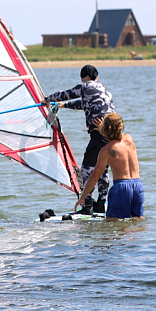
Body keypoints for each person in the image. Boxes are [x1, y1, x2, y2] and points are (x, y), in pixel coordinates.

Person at [44, 64, 115, 214]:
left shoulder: (86, 86)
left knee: (86, 169)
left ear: (83, 78)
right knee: (103, 169)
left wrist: (47, 99)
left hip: (99, 132)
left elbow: (67, 93)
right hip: (111, 132)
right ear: (97, 76)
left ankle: (87, 205)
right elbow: (84, 104)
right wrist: (63, 106)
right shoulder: (104, 89)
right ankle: (101, 203)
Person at [74, 113, 144, 220]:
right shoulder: (129, 139)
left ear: (105, 129)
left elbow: (94, 177)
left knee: (112, 224)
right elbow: (118, 139)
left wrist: (83, 197)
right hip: (137, 186)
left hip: (121, 188)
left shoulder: (106, 151)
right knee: (137, 221)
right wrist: (107, 129)